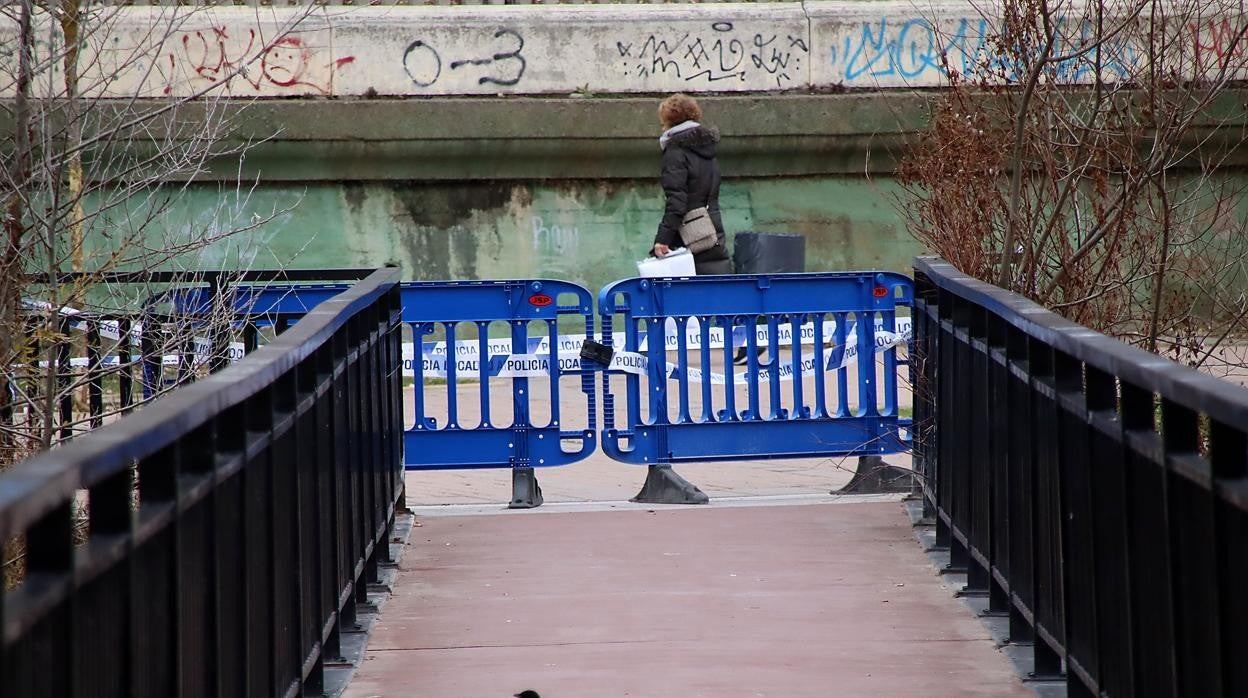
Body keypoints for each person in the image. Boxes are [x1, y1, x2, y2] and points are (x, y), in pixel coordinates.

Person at [651, 94, 732, 275]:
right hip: (712, 224)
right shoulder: (707, 149)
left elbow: (677, 202)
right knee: (712, 286)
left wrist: (663, 239)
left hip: (689, 232)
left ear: (668, 120)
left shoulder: (675, 152)